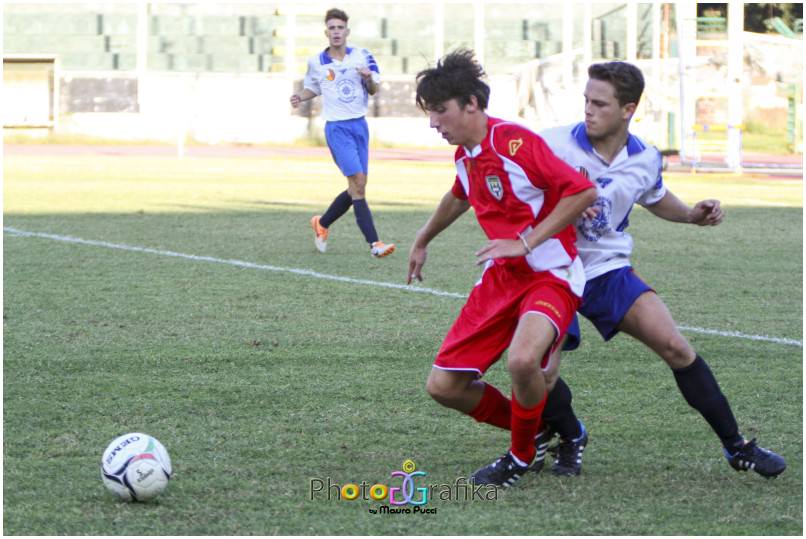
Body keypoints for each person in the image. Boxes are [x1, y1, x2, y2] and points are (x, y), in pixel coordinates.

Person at [531, 61, 786, 478]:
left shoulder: (645, 157)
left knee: (676, 348)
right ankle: (569, 433)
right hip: (554, 268)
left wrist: (690, 214)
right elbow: (519, 192)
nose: (588, 110)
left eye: (600, 103)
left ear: (628, 109)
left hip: (606, 270)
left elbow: (654, 195)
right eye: (586, 101)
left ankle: (736, 446)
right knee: (541, 370)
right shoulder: (552, 144)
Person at [408, 50, 596, 487]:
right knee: (444, 386)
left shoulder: (515, 142)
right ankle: (550, 432)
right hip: (500, 280)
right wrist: (422, 239)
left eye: (440, 110)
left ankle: (520, 455)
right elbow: (459, 195)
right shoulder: (464, 155)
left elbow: (581, 192)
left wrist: (525, 241)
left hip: (550, 275)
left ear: (471, 103)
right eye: (430, 113)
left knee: (524, 361)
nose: (434, 122)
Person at [290, 8, 395, 258]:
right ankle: (374, 244)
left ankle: (322, 223)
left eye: (340, 28)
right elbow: (312, 88)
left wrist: (368, 78)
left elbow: (373, 89)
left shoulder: (362, 55)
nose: (336, 32)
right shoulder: (317, 62)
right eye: (332, 28)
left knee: (357, 185)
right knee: (358, 184)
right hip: (337, 128)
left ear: (347, 31)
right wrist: (299, 97)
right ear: (326, 32)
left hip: (359, 126)